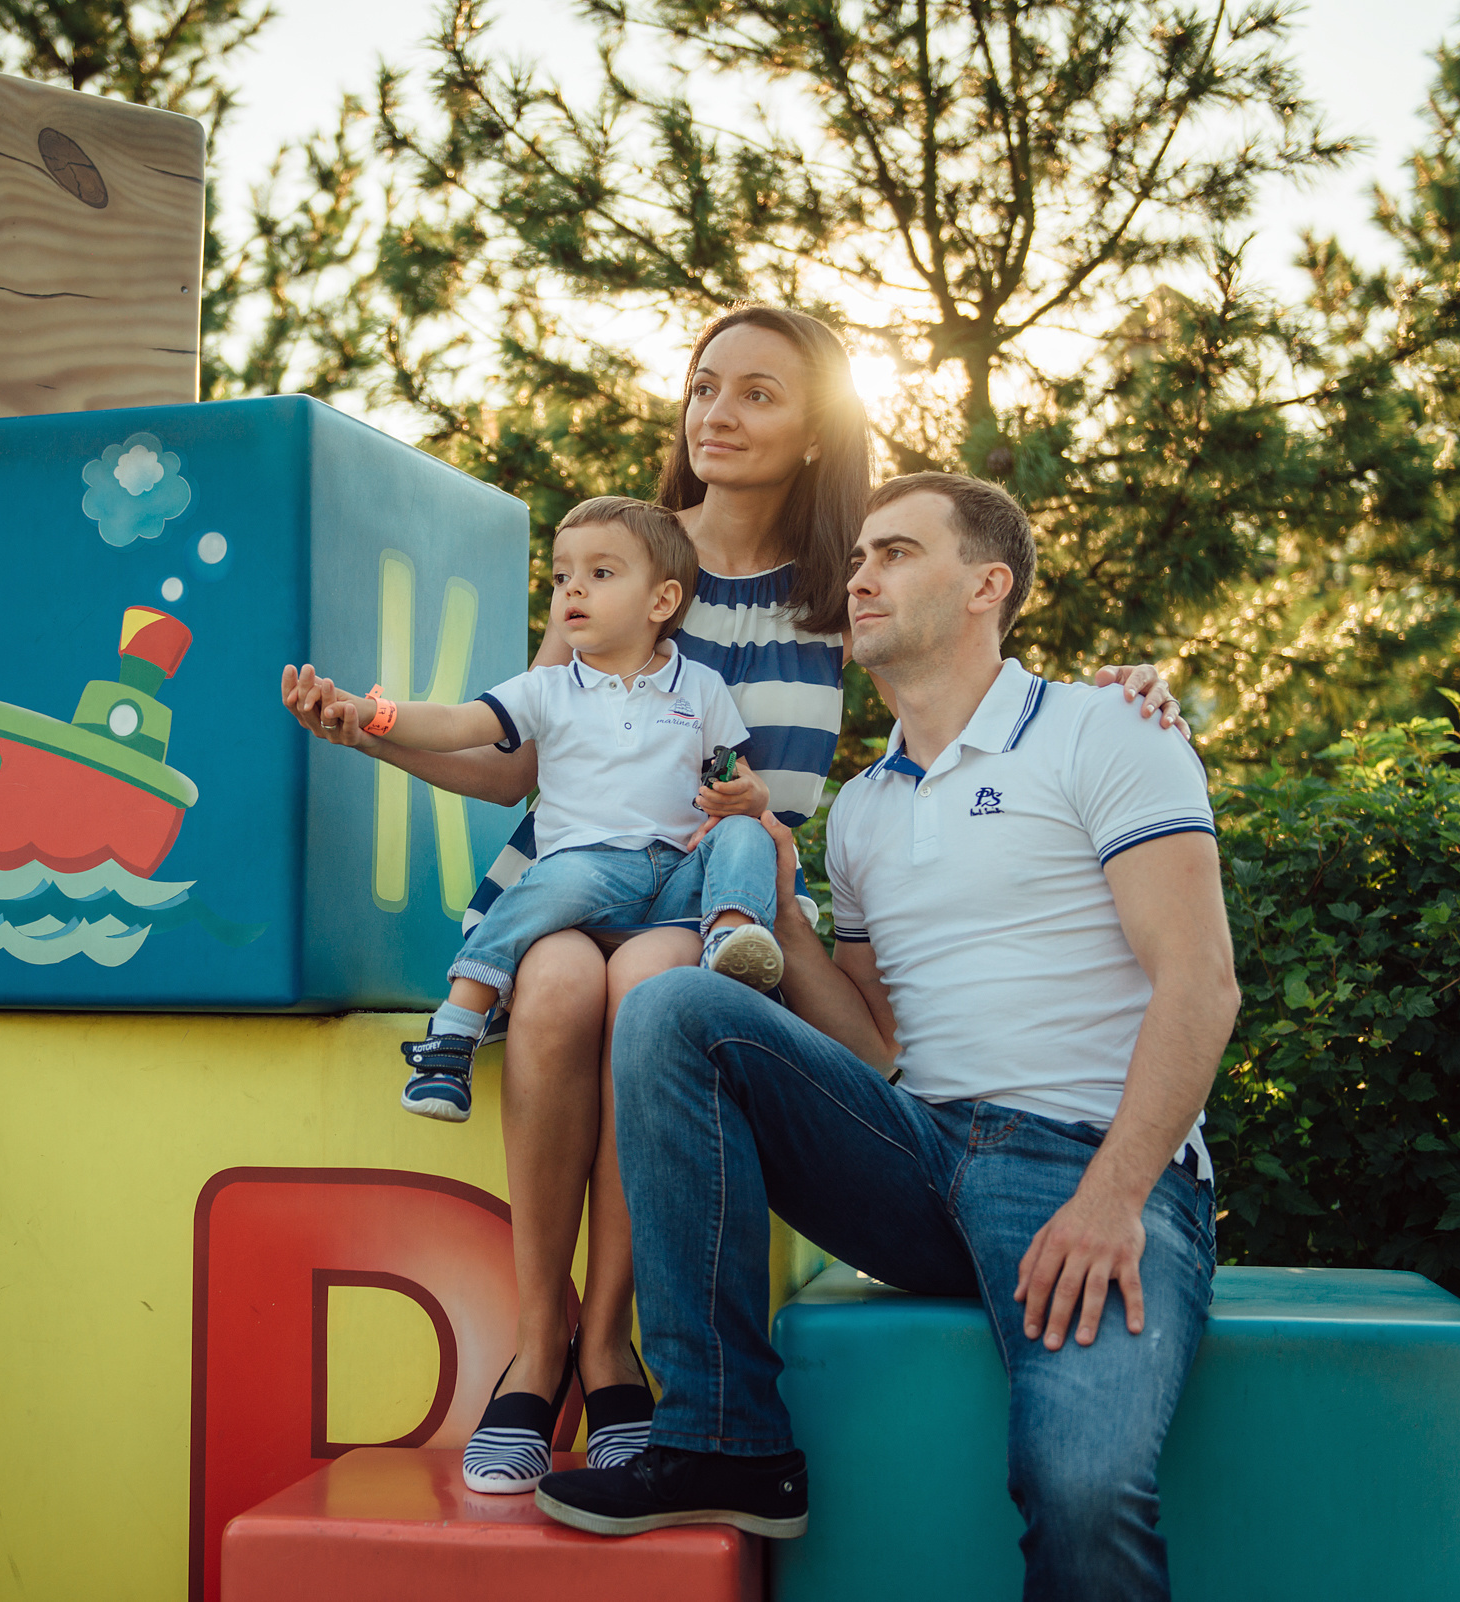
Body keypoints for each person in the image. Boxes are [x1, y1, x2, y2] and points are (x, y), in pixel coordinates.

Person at [279, 305, 1187, 1500]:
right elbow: (522, 747)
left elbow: (972, 670)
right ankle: (537, 1343)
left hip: (712, 891)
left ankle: (616, 1347)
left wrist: (1141, 689)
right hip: (577, 873)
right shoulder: (628, 554)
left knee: (653, 987)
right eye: (706, 386)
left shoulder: (842, 593)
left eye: (760, 394)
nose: (720, 412)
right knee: (555, 980)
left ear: (819, 431)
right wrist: (374, 734)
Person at [535, 471, 1241, 1602]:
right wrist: (781, 903)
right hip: (921, 1155)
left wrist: (1112, 1197)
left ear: (986, 585)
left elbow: (1203, 985)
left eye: (897, 554)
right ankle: (725, 1438)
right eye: (859, 556)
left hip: (1088, 1169)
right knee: (674, 1004)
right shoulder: (859, 811)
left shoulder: (1108, 727)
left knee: (1082, 1489)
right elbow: (873, 1050)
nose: (860, 577)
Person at [289, 496, 787, 1140]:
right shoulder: (545, 689)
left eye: (600, 574)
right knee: (555, 881)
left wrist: (738, 796)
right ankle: (454, 1033)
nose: (572, 588)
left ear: (661, 602)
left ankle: (732, 939)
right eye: (560, 577)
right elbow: (452, 722)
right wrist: (370, 716)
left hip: (681, 878)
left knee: (750, 830)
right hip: (587, 873)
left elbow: (733, 771)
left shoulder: (702, 687)